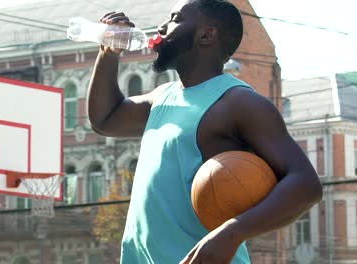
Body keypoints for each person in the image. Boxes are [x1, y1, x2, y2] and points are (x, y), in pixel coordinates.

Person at [87, 0, 323, 263]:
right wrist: (108, 52)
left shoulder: (239, 103)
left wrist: (232, 233)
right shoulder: (162, 97)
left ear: (207, 34)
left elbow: (306, 184)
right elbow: (105, 119)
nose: (162, 27)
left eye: (175, 18)